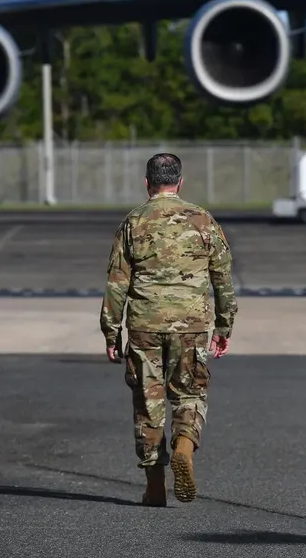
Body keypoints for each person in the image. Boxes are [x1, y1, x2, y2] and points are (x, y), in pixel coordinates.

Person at [100, 152, 238, 507]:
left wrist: (111, 331)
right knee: (190, 394)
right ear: (180, 182)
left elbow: (117, 282)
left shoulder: (132, 222)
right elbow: (222, 278)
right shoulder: (204, 220)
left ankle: (155, 486)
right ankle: (184, 446)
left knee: (148, 404)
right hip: (191, 324)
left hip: (144, 324)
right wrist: (224, 324)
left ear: (147, 184)